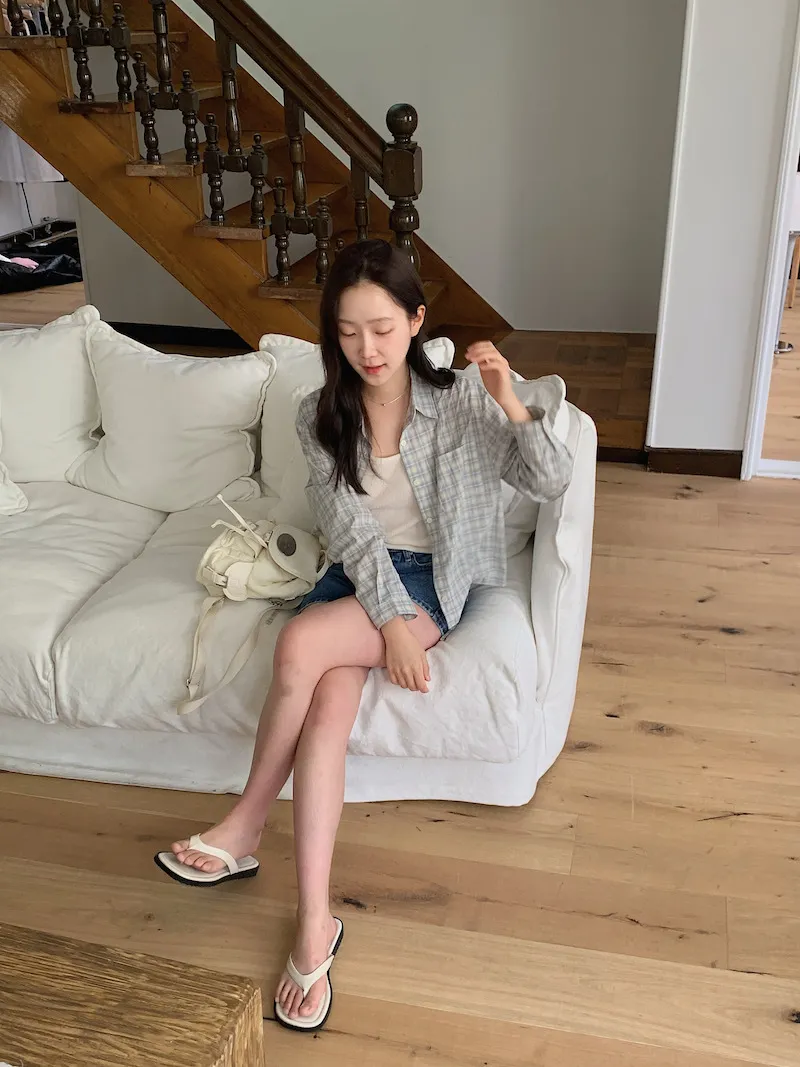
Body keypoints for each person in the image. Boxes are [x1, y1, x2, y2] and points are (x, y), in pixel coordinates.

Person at [155, 239, 573, 1032]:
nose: (367, 349)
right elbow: (350, 532)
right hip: (358, 577)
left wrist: (512, 403)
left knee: (298, 646)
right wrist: (386, 624)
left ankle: (246, 822)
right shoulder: (319, 414)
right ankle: (315, 923)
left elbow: (550, 480)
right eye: (348, 332)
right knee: (325, 714)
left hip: (432, 581)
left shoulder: (459, 402)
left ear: (417, 320)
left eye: (382, 328)